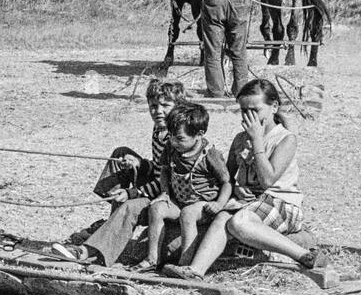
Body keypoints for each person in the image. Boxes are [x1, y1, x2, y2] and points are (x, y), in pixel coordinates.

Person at [164, 78, 325, 279]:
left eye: (255, 110)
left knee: (238, 222)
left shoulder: (285, 138)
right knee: (224, 218)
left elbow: (268, 180)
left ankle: (303, 255)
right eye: (243, 110)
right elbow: (228, 178)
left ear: (274, 107)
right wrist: (234, 189)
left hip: (281, 203)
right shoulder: (240, 139)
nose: (249, 116)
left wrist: (257, 141)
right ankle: (195, 271)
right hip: (248, 203)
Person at [49, 79, 184, 267]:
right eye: (153, 106)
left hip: (169, 194)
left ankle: (87, 251)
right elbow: (159, 168)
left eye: (165, 106)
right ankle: (111, 224)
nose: (158, 111)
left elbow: (168, 181)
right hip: (159, 182)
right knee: (121, 153)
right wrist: (140, 164)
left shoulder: (177, 138)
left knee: (130, 205)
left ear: (178, 107)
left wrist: (132, 192)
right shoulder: (159, 129)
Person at [137, 102, 231, 273]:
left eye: (179, 138)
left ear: (199, 134)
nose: (173, 141)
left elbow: (226, 183)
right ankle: (152, 259)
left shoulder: (210, 155)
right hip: (180, 201)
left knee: (188, 214)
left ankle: (184, 264)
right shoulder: (171, 148)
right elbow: (165, 170)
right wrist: (165, 193)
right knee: (156, 208)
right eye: (171, 136)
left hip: (202, 204)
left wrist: (219, 204)